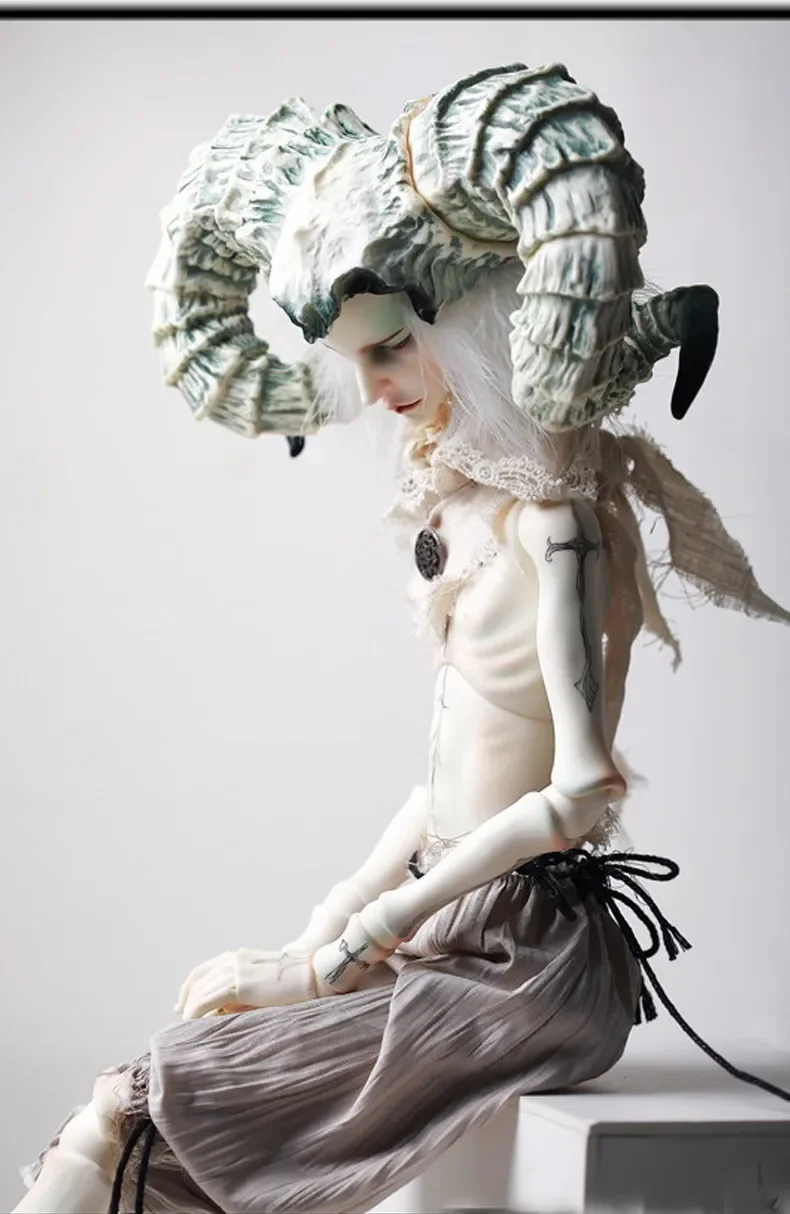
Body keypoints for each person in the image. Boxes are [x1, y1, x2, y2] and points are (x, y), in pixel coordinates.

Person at [14, 62, 790, 1214]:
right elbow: (446, 783)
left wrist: (365, 931)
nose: (375, 384)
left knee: (136, 1102)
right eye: (356, 360)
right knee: (137, 1110)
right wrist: (321, 932)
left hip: (528, 961)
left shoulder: (555, 524)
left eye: (391, 347)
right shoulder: (465, 508)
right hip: (450, 930)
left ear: (467, 321)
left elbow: (578, 791)